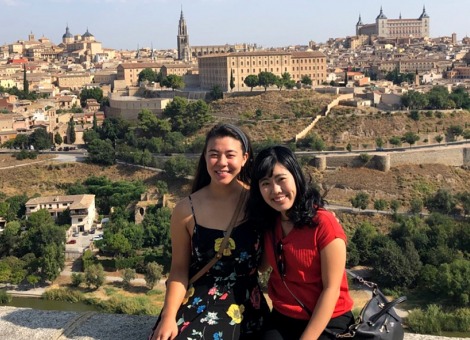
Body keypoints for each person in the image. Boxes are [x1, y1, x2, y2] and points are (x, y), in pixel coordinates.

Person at [149, 123, 269, 340]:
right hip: (198, 300)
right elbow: (178, 270)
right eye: (214, 154)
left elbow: (264, 264)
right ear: (204, 158)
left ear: (244, 158)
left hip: (247, 303)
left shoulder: (259, 201)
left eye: (230, 155)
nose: (222, 162)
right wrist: (168, 317)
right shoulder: (186, 210)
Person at [247, 146, 354, 340]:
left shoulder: (324, 224)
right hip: (284, 316)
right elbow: (262, 266)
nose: (275, 190)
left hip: (329, 318)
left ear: (296, 176)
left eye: (281, 180)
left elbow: (331, 289)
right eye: (266, 183)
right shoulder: (271, 224)